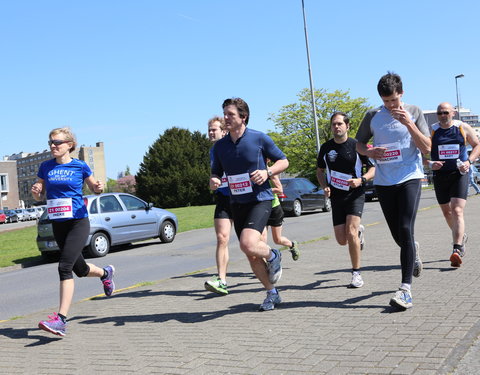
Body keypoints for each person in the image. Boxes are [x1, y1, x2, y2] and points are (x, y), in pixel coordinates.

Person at [355, 72, 431, 310]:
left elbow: (427, 147)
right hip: (384, 181)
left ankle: (405, 289)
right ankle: (413, 249)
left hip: (409, 176)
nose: (390, 106)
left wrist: (408, 122)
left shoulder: (415, 111)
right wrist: (369, 152)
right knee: (398, 235)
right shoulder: (372, 115)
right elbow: (358, 143)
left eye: (394, 101)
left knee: (407, 227)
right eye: (386, 101)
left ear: (402, 94)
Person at [31, 127, 115, 336]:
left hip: (78, 222)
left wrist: (98, 187)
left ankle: (61, 320)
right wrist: (37, 193)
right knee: (79, 269)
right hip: (58, 223)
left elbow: (95, 187)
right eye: (50, 142)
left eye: (57, 142)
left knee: (64, 267)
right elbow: (40, 196)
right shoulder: (45, 167)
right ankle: (106, 273)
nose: (53, 146)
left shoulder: (80, 166)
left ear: (69, 145)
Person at [210, 98, 289, 311]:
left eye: (230, 115)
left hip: (260, 200)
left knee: (247, 243)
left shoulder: (259, 138)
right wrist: (215, 179)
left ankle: (274, 255)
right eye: (224, 114)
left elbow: (284, 161)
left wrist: (267, 172)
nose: (226, 118)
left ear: (243, 117)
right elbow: (216, 172)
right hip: (238, 202)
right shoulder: (220, 147)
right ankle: (272, 293)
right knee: (251, 254)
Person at [317, 112, 375, 288]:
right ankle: (358, 234)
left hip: (355, 194)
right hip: (336, 196)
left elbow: (373, 169)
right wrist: (324, 186)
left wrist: (361, 180)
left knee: (350, 232)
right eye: (334, 124)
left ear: (347, 126)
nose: (336, 127)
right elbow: (319, 170)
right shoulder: (326, 148)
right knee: (342, 240)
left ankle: (356, 273)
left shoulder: (357, 145)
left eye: (340, 124)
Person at [427, 102, 480, 267]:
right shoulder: (432, 130)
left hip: (459, 173)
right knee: (447, 212)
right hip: (440, 175)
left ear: (453, 113)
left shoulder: (462, 127)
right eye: (440, 113)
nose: (443, 115)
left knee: (457, 210)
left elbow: (477, 145)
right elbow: (420, 151)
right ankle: (461, 236)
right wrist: (430, 163)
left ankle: (457, 249)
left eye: (445, 112)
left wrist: (469, 162)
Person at [204, 116, 233, 295]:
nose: (210, 133)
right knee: (222, 238)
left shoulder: (234, 146)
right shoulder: (213, 151)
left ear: (224, 131)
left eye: (214, 129)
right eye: (209, 130)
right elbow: (215, 175)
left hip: (243, 199)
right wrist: (213, 182)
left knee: (253, 244)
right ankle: (222, 280)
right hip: (223, 197)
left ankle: (271, 258)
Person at [261, 173, 300, 261]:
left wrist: (263, 190)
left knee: (277, 240)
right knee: (261, 240)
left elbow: (279, 190)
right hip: (261, 209)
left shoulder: (270, 173)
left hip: (274, 209)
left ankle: (292, 245)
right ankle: (266, 265)